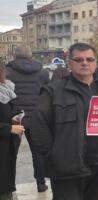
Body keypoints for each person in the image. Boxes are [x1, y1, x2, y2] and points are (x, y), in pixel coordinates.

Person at [30, 43, 98, 199]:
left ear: (95, 63)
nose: (85, 63)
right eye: (79, 59)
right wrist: (53, 154)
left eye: (90, 59)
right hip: (67, 170)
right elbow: (37, 127)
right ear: (70, 63)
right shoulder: (54, 91)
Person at [6, 45, 50, 192]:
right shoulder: (42, 73)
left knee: (10, 153)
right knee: (37, 152)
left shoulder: (7, 72)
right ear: (31, 57)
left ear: (14, 56)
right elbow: (47, 94)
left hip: (13, 118)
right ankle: (41, 183)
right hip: (35, 118)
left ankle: (8, 185)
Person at [0, 63, 23, 200]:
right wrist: (9, 128)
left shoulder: (5, 88)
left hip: (5, 145)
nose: (5, 72)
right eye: (2, 70)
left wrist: (12, 119)